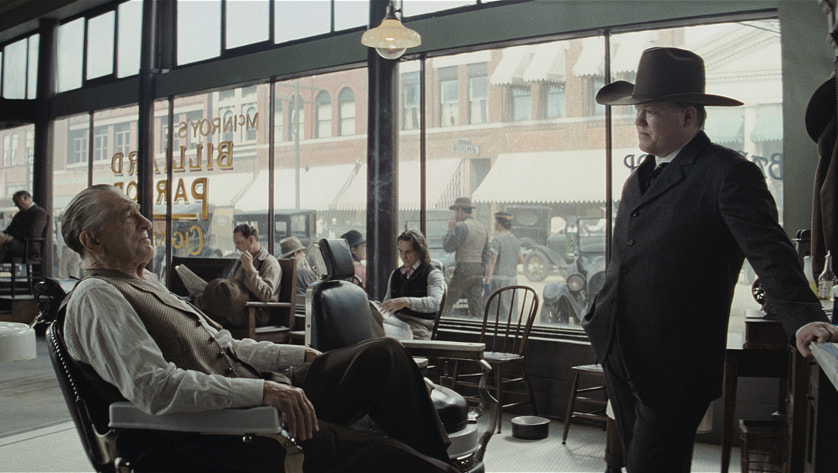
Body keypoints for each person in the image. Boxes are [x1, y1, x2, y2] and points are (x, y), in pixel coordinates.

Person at [60, 184, 458, 473]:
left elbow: (226, 345)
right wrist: (264, 392)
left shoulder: (144, 282)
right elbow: (155, 388)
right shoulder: (97, 297)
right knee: (390, 459)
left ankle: (441, 459)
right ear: (91, 240)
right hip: (225, 432)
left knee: (384, 354)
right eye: (128, 216)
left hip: (256, 389)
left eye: (139, 211)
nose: (146, 221)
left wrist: (298, 355)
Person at [583, 47, 838, 473]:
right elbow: (624, 260)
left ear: (688, 116)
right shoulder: (638, 178)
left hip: (674, 363)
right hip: (618, 347)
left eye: (650, 111)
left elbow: (769, 251)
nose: (638, 120)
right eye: (637, 110)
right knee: (632, 459)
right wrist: (599, 315)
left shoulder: (728, 172)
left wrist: (804, 317)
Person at [186, 223, 281, 328]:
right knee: (201, 307)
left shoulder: (270, 262)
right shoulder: (241, 260)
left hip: (253, 311)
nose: (236, 248)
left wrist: (250, 269)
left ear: (251, 239)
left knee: (205, 315)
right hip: (236, 306)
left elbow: (266, 294)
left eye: (239, 243)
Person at [379, 230, 446, 340]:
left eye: (408, 252)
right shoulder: (395, 274)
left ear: (420, 251)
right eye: (400, 251)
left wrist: (407, 301)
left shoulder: (432, 274)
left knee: (386, 343)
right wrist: (380, 307)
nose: (403, 257)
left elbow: (434, 303)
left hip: (419, 326)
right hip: (395, 324)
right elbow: (387, 302)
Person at [442, 197, 488, 319]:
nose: (455, 215)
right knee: (476, 306)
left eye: (456, 211)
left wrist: (450, 229)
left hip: (464, 268)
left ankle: (444, 325)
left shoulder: (461, 227)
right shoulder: (482, 227)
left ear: (460, 211)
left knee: (447, 302)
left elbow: (448, 246)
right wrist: (482, 269)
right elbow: (486, 253)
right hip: (478, 269)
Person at [483, 211, 523, 318]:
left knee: (497, 313)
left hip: (499, 282)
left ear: (499, 223)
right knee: (511, 312)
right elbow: (521, 260)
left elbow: (492, 262)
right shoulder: (515, 240)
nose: (494, 224)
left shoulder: (496, 240)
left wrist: (487, 282)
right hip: (512, 281)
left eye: (495, 221)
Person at [0, 190, 47, 262]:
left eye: (17, 202)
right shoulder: (19, 214)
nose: (16, 205)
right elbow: (10, 229)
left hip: (29, 246)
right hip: (18, 242)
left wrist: (10, 237)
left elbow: (33, 233)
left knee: (5, 243)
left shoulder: (39, 213)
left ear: (25, 198)